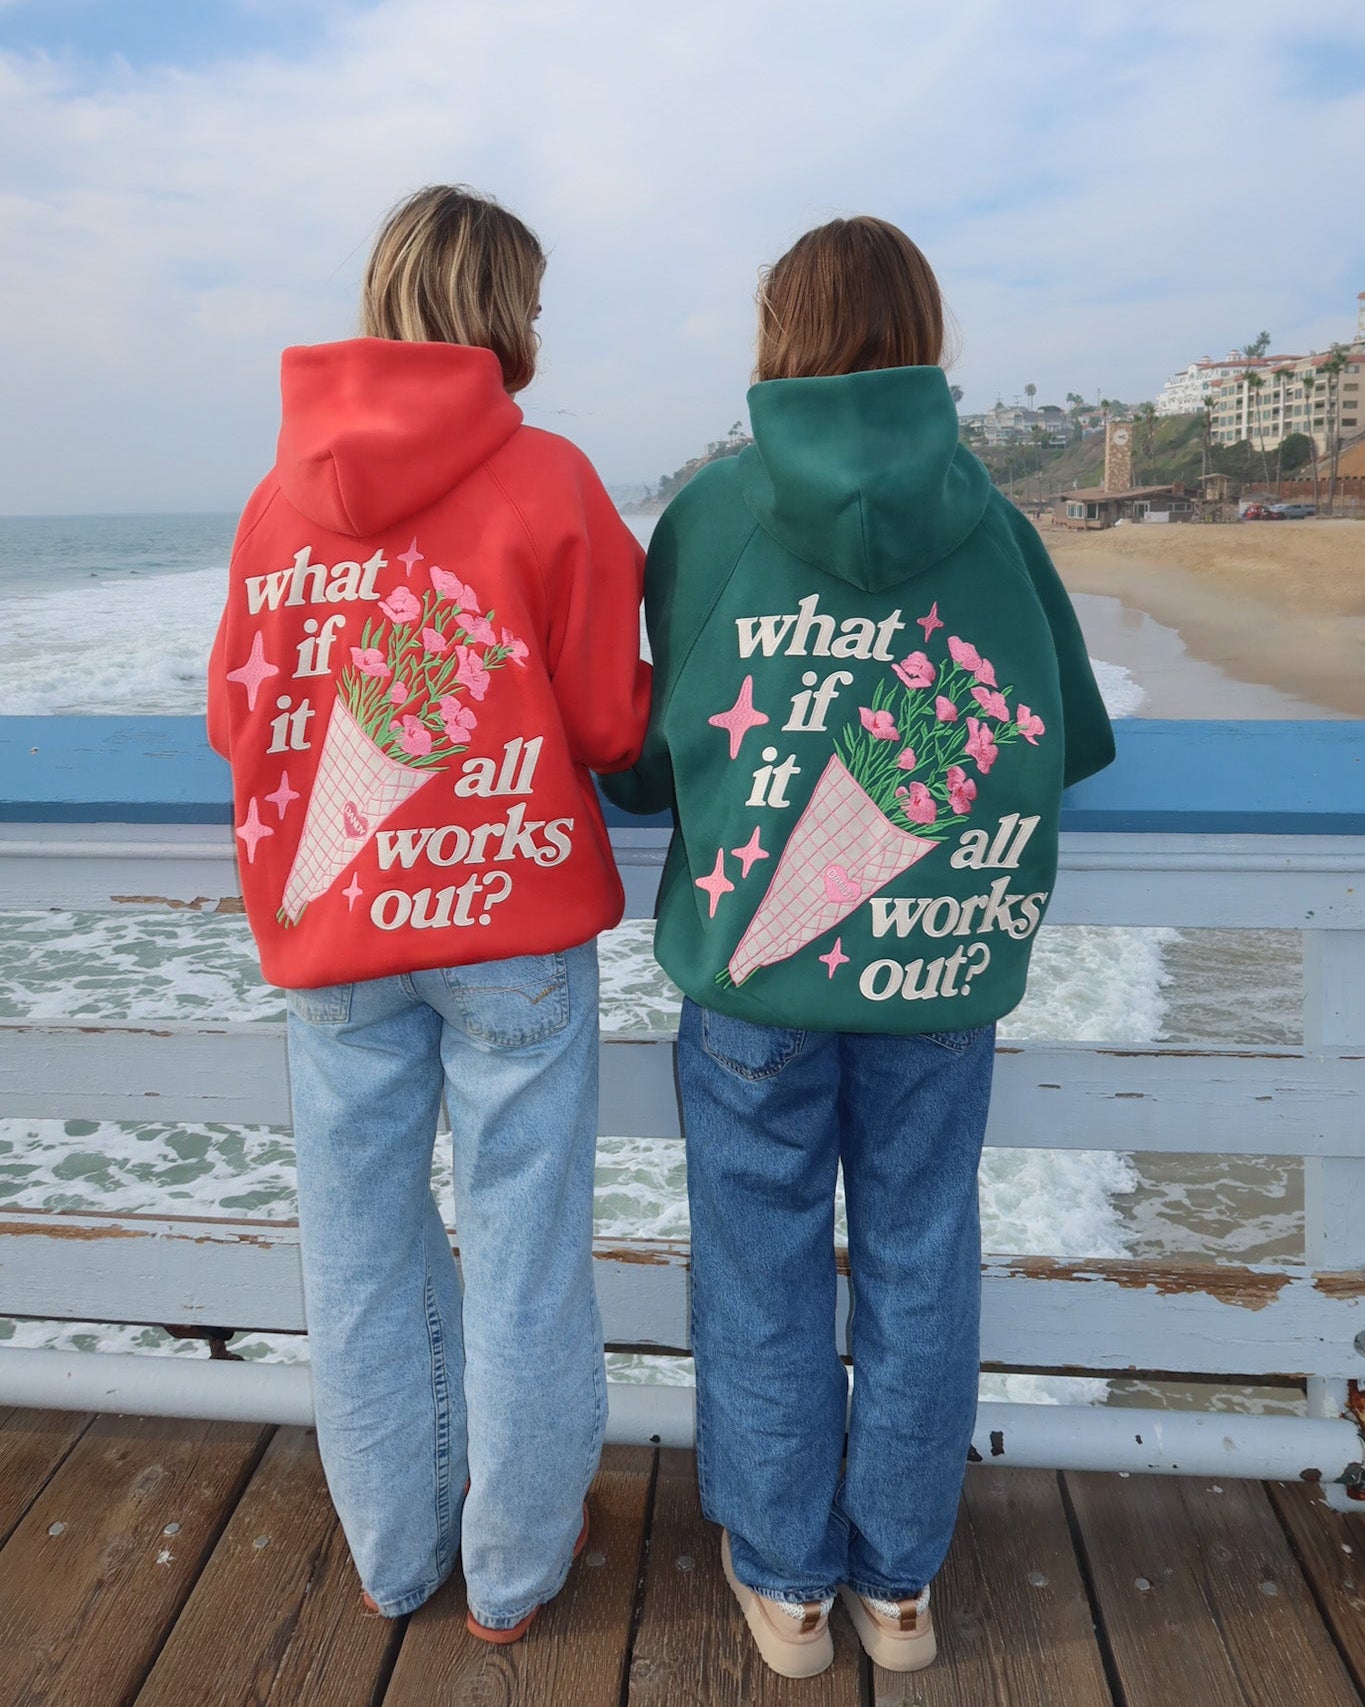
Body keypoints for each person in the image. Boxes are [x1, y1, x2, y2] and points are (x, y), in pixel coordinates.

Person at [604, 216, 1114, 1678]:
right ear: (927, 331)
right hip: (938, 971)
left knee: (758, 1266)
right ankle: (897, 1585)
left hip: (756, 977)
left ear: (778, 332)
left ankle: (787, 1582)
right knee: (918, 1251)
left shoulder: (709, 512)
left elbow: (645, 764)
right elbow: (1066, 734)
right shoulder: (997, 520)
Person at [208, 185, 650, 1640]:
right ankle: (516, 1569)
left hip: (335, 938)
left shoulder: (277, 502)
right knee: (523, 1253)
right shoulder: (551, 478)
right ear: (500, 309)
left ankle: (399, 1557)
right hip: (510, 928)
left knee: (358, 1256)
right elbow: (603, 720)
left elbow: (236, 717)